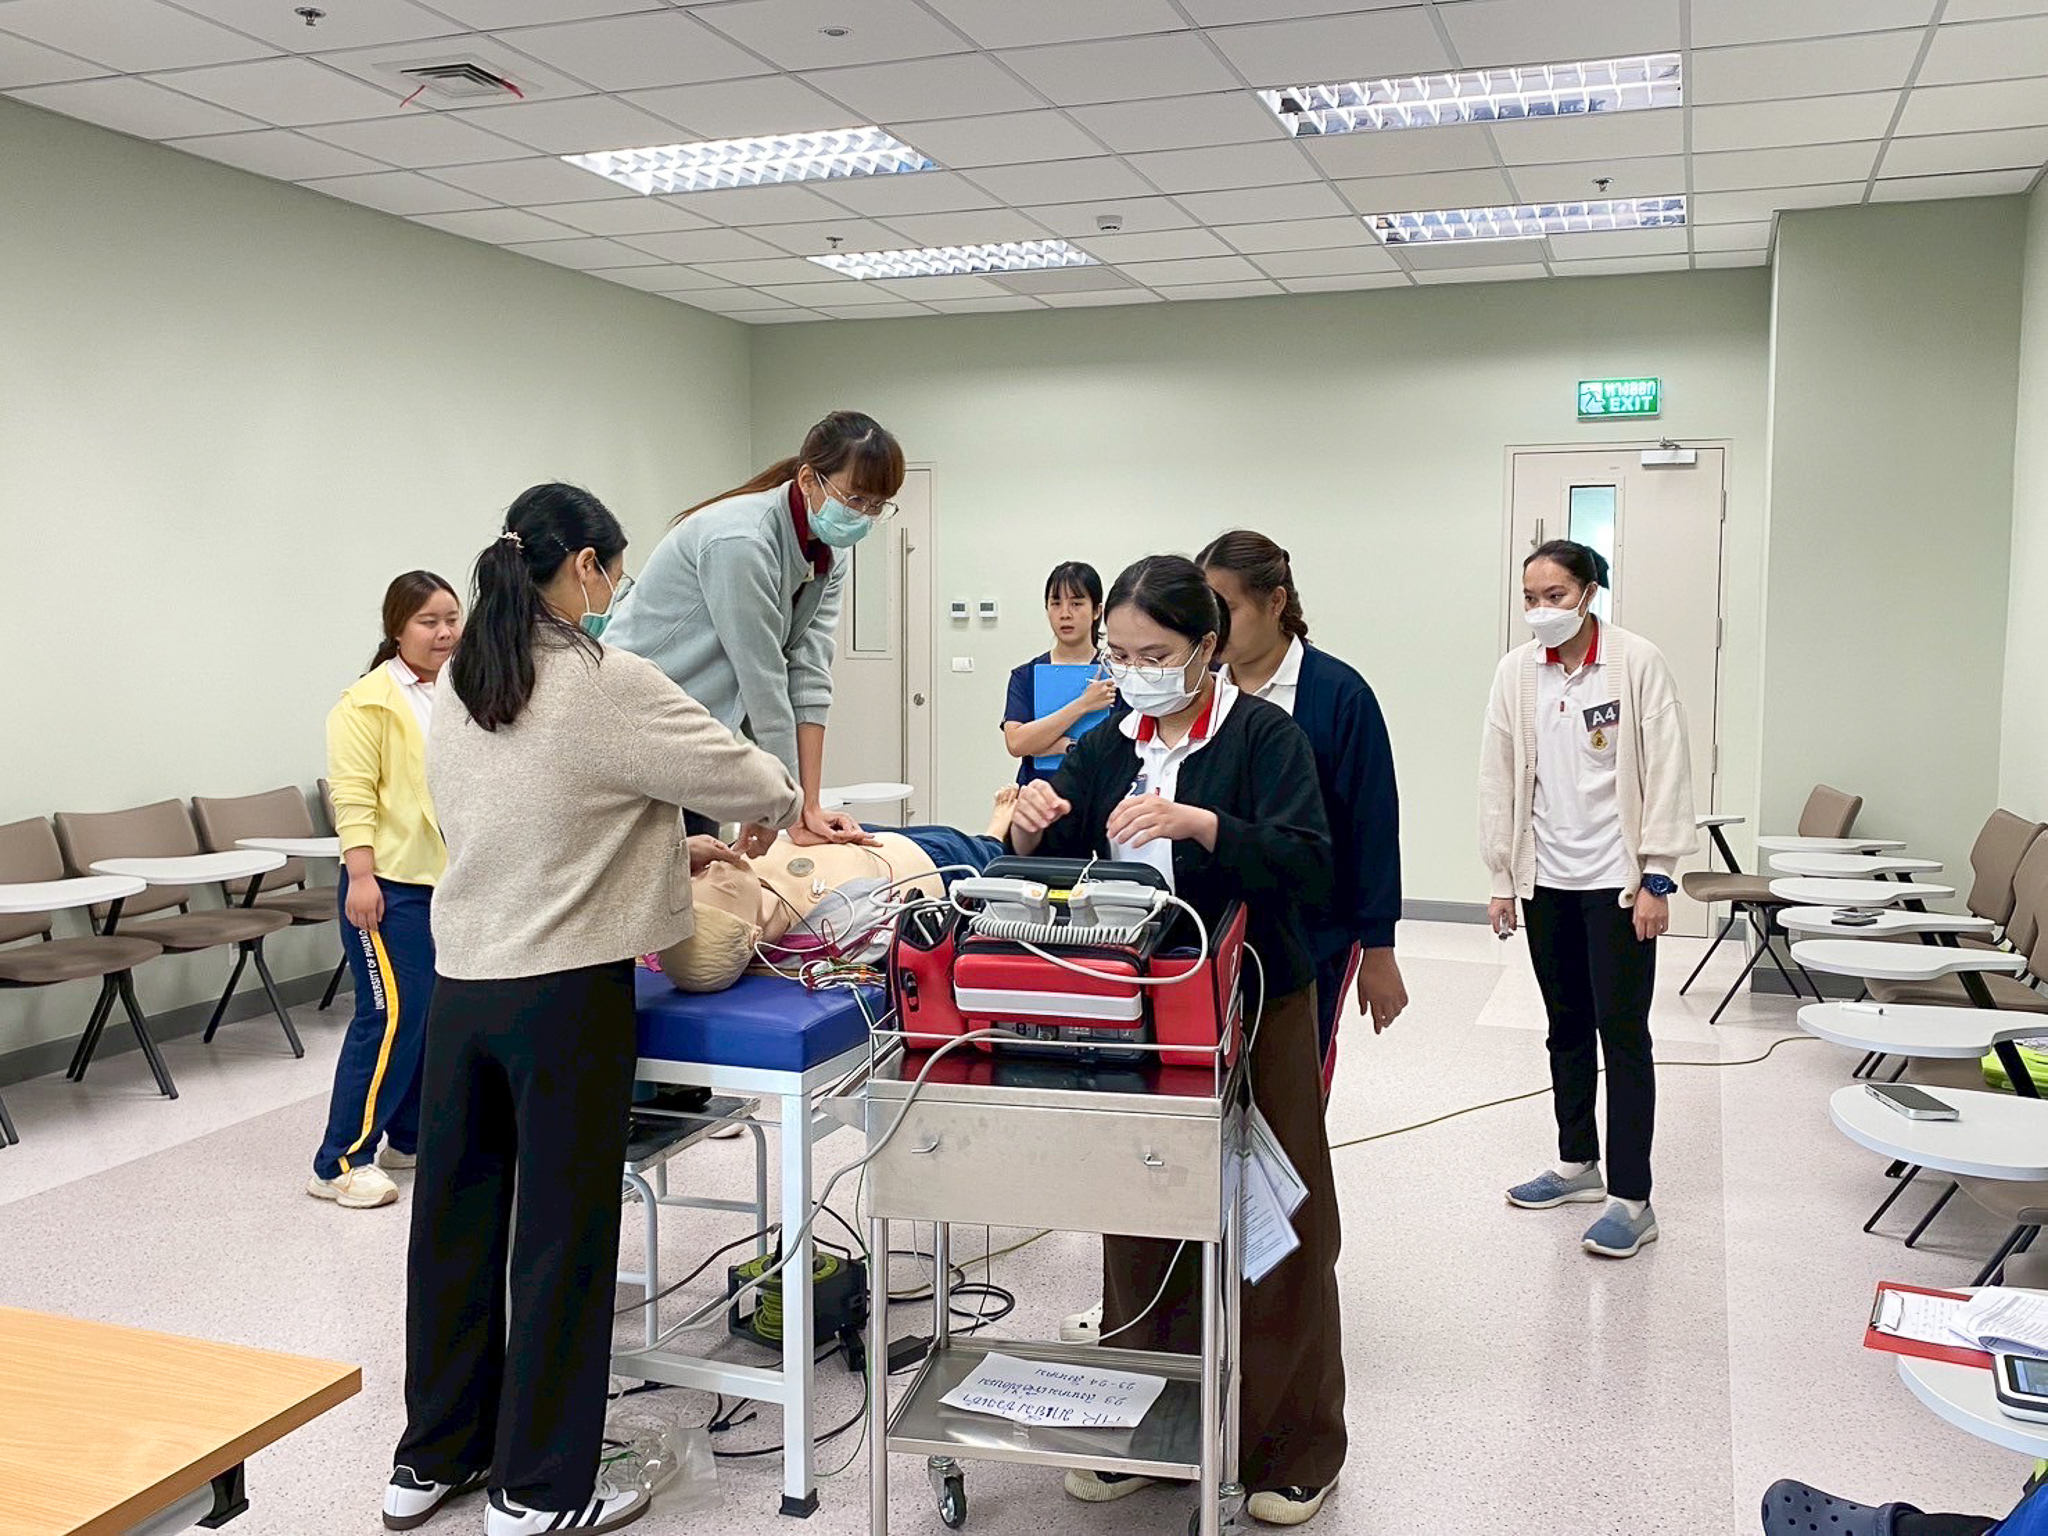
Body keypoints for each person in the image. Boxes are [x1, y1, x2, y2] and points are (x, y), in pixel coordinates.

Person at [384, 484, 803, 1536]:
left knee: (455, 1227)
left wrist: (655, 840)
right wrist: (777, 805)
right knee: (561, 1240)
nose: (615, 589)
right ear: (583, 568)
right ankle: (539, 1490)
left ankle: (433, 1457)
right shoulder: (603, 677)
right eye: (612, 570)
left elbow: (533, 813)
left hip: (465, 986)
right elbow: (753, 778)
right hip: (564, 994)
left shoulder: (465, 678)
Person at [1010, 555, 1345, 1529]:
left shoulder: (1264, 737)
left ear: (1206, 647)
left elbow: (1309, 864)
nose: (1134, 673)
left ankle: (1294, 1449)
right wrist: (1028, 831)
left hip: (1257, 998)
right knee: (1141, 1214)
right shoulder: (1105, 745)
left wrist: (1202, 824)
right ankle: (1145, 1432)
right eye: (1118, 655)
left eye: (1153, 655)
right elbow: (1057, 865)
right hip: (1142, 1014)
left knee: (1279, 1222)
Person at [1479, 538, 1695, 1261]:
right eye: (1531, 598)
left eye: (1557, 596)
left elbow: (1668, 770)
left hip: (1618, 883)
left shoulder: (1636, 662)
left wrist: (1658, 876)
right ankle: (1578, 1163)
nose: (1542, 611)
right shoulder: (1517, 673)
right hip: (1546, 878)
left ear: (1590, 593)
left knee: (1623, 1034)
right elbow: (1498, 777)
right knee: (1564, 1025)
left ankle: (1632, 1198)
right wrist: (1502, 876)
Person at [605, 410, 904, 854]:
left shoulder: (829, 556)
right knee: (659, 875)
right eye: (856, 498)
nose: (863, 516)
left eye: (877, 506)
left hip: (699, 733)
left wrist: (808, 806)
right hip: (634, 723)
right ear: (808, 479)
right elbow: (762, 679)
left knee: (706, 873)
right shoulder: (741, 540)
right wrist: (782, 806)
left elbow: (809, 675)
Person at [1199, 530, 1407, 1070]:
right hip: (1214, 928)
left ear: (1275, 602)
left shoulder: (1339, 695)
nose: (1212, 625)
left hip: (1314, 930)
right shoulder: (1199, 689)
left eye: (1227, 608)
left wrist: (1379, 947)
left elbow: (1372, 825)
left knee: (1293, 1081)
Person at [310, 570, 460, 1211]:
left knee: (430, 1015)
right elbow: (353, 796)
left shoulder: (460, 690)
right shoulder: (367, 702)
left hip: (444, 883)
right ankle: (339, 1161)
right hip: (387, 886)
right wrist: (362, 876)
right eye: (429, 621)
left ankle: (408, 1136)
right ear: (397, 627)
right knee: (389, 1016)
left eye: (452, 618)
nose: (445, 633)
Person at [659, 789, 1021, 993]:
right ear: (753, 934)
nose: (714, 869)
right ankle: (996, 831)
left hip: (862, 835)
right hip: (933, 861)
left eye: (695, 876)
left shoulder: (735, 876)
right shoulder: (831, 932)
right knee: (989, 852)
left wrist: (801, 818)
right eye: (722, 887)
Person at [1002, 561, 1117, 787]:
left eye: (1076, 603)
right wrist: (1084, 705)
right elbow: (1016, 743)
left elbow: (1121, 748)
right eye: (1056, 603)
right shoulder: (1025, 676)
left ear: (1097, 611)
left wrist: (1044, 743)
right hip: (1038, 792)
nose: (1065, 614)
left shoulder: (1115, 674)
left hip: (1099, 793)